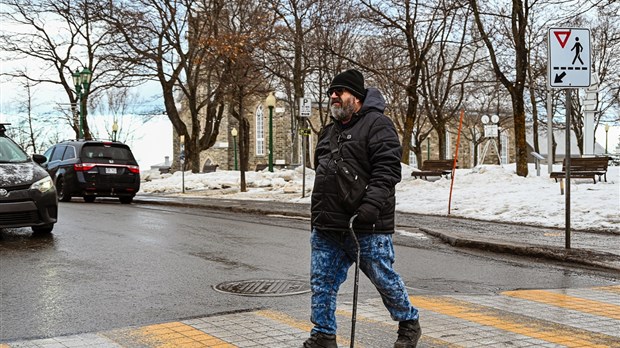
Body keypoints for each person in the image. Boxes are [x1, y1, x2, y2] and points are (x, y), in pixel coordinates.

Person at [304, 69, 421, 348]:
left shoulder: (378, 124)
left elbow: (388, 171)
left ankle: (408, 324)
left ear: (355, 98)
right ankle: (323, 335)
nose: (333, 96)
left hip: (366, 225)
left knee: (384, 279)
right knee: (322, 283)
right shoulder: (329, 131)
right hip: (328, 226)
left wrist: (370, 206)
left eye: (339, 92)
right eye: (331, 92)